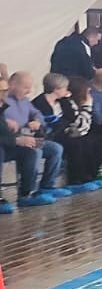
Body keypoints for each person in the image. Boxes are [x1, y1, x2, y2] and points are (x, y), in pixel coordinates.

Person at [32, 72, 102, 190]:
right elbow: (54, 123)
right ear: (56, 89)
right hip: (52, 135)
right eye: (65, 88)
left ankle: (91, 175)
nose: (67, 91)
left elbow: (74, 119)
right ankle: (76, 180)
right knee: (76, 144)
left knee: (94, 140)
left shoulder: (64, 101)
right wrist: (68, 124)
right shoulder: (39, 103)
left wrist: (69, 122)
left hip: (66, 132)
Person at [0, 74, 60, 211]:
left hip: (14, 140)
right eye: (2, 91)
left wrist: (36, 122)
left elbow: (37, 114)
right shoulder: (5, 105)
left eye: (5, 90)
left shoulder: (15, 103)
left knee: (33, 150)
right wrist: (16, 139)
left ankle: (27, 194)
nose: (5, 94)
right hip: (8, 143)